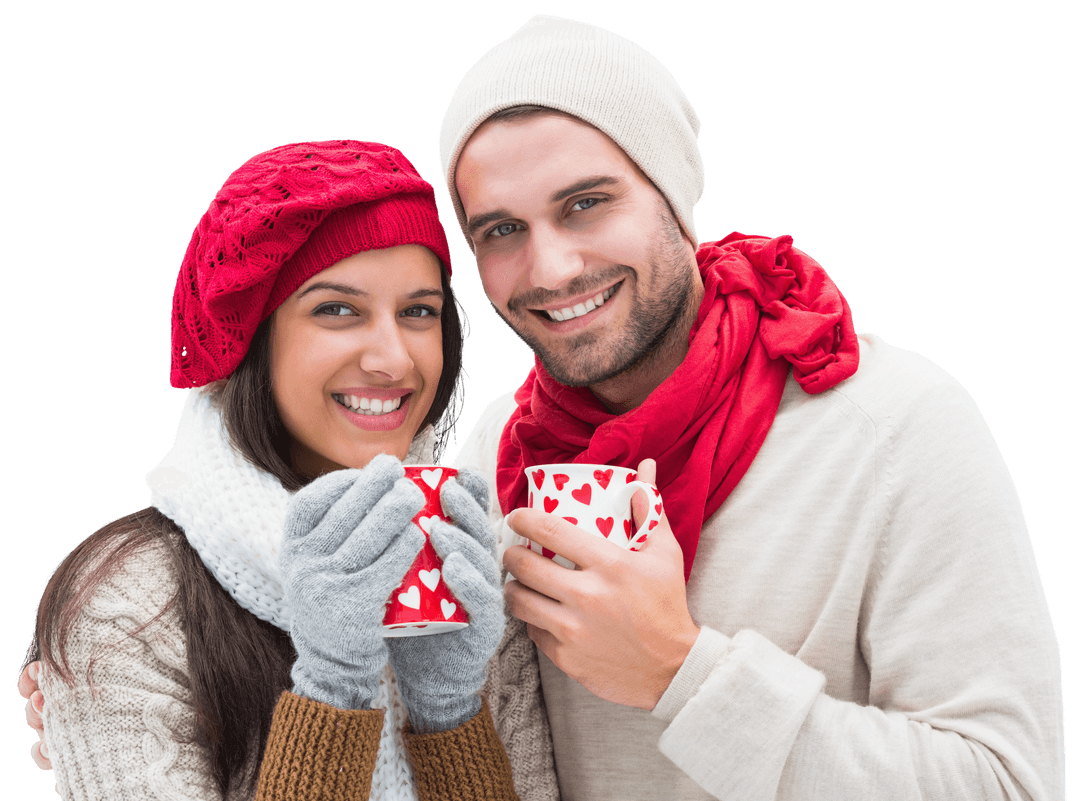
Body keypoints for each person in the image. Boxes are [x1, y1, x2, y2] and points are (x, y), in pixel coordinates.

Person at [437, 14, 1062, 801]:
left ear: (671, 193)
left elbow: (1007, 785)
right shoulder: (497, 453)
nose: (552, 266)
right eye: (501, 229)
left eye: (586, 203)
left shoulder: (898, 426)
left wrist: (682, 673)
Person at [17, 139, 524, 801]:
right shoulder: (126, 606)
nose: (394, 359)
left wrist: (450, 711)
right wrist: (333, 689)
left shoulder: (471, 568)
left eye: (418, 311)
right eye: (336, 309)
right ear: (252, 336)